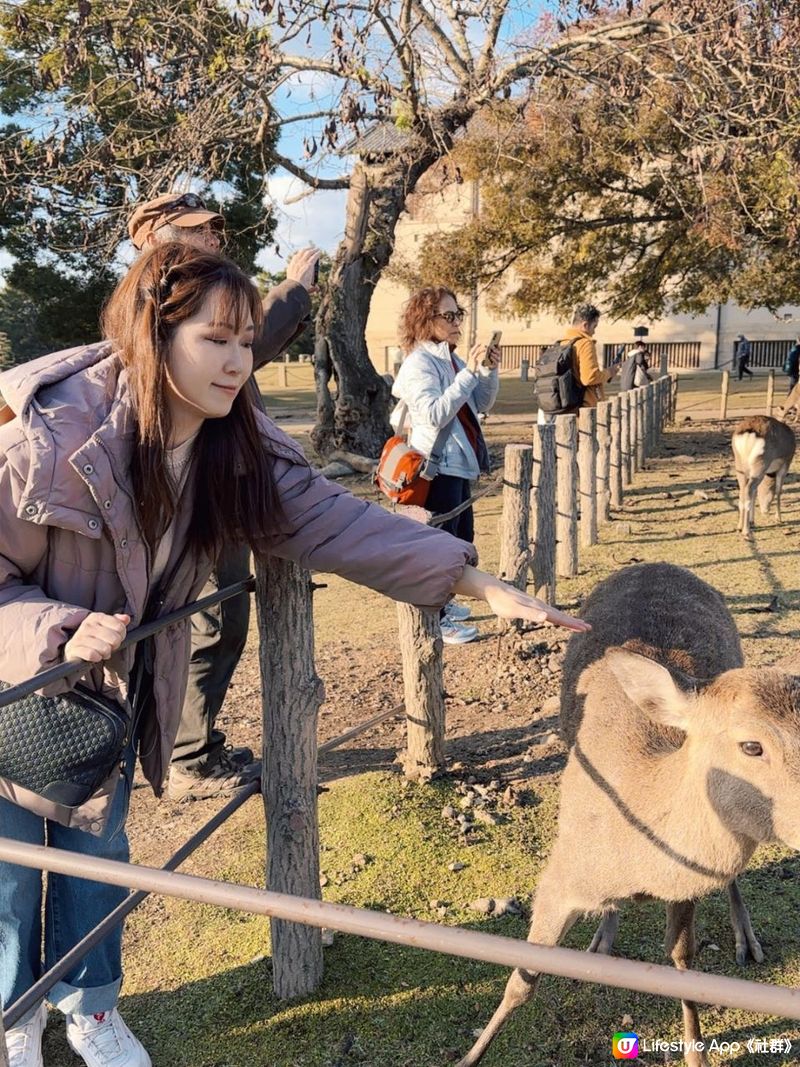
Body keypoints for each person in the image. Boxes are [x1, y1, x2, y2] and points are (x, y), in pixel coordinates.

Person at [0, 243, 588, 1067]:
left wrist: (475, 582)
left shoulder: (229, 446)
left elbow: (336, 522)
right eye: (217, 339)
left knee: (99, 855)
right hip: (19, 690)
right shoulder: (51, 440)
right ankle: (14, 1018)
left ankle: (91, 1009)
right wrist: (58, 628)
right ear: (153, 334)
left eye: (248, 341)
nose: (240, 362)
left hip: (108, 702)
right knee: (9, 880)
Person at [128, 192, 320, 801]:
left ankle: (190, 745)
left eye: (213, 230)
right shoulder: (155, 303)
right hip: (191, 494)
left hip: (219, 486)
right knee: (207, 621)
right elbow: (252, 342)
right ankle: (187, 756)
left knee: (218, 617)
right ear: (151, 236)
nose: (213, 239)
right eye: (194, 230)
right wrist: (292, 292)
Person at [392, 287, 500, 645]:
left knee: (460, 542)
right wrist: (468, 372)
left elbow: (481, 403)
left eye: (458, 315)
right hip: (435, 468)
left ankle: (445, 605)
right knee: (439, 547)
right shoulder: (418, 364)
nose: (456, 323)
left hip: (459, 464)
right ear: (426, 320)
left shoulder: (448, 360)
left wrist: (487, 370)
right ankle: (434, 619)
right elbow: (434, 414)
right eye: (448, 316)